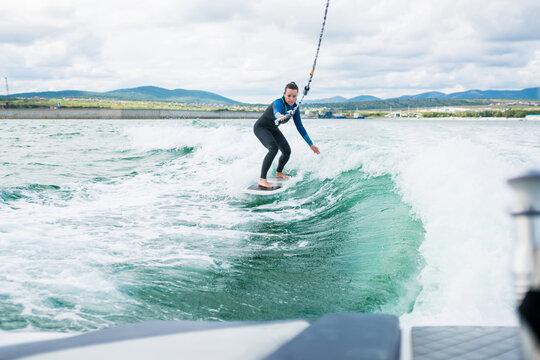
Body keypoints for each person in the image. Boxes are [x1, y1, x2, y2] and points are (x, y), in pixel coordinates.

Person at [253, 82, 320, 189]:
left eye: (294, 96)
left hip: (273, 129)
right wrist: (280, 116)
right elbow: (276, 111)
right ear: (284, 94)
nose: (291, 99)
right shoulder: (278, 102)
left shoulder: (295, 107)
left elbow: (300, 127)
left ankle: (279, 172)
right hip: (261, 128)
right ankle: (262, 179)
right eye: (289, 95)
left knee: (287, 151)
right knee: (273, 148)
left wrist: (310, 144)